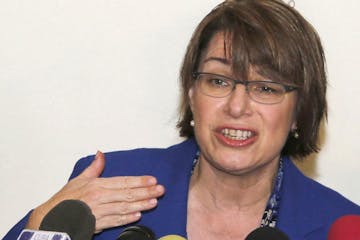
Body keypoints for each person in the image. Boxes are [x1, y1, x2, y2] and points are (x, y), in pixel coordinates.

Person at [4, 0, 360, 239]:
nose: (237, 106)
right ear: (191, 93)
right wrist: (43, 224)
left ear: (300, 110)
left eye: (266, 88)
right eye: (218, 81)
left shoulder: (339, 226)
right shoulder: (108, 184)